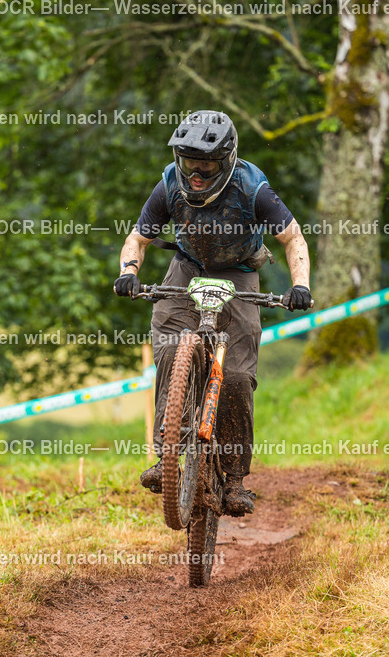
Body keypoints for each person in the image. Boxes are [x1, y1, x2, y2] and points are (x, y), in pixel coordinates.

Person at [113, 110, 312, 516]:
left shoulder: (253, 187)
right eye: (189, 163)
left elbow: (292, 238)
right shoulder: (169, 182)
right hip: (187, 269)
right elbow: (137, 238)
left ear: (227, 160)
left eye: (206, 166)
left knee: (237, 375)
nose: (196, 175)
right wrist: (128, 273)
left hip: (239, 273)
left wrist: (301, 285)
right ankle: (167, 457)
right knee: (170, 351)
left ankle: (236, 480)